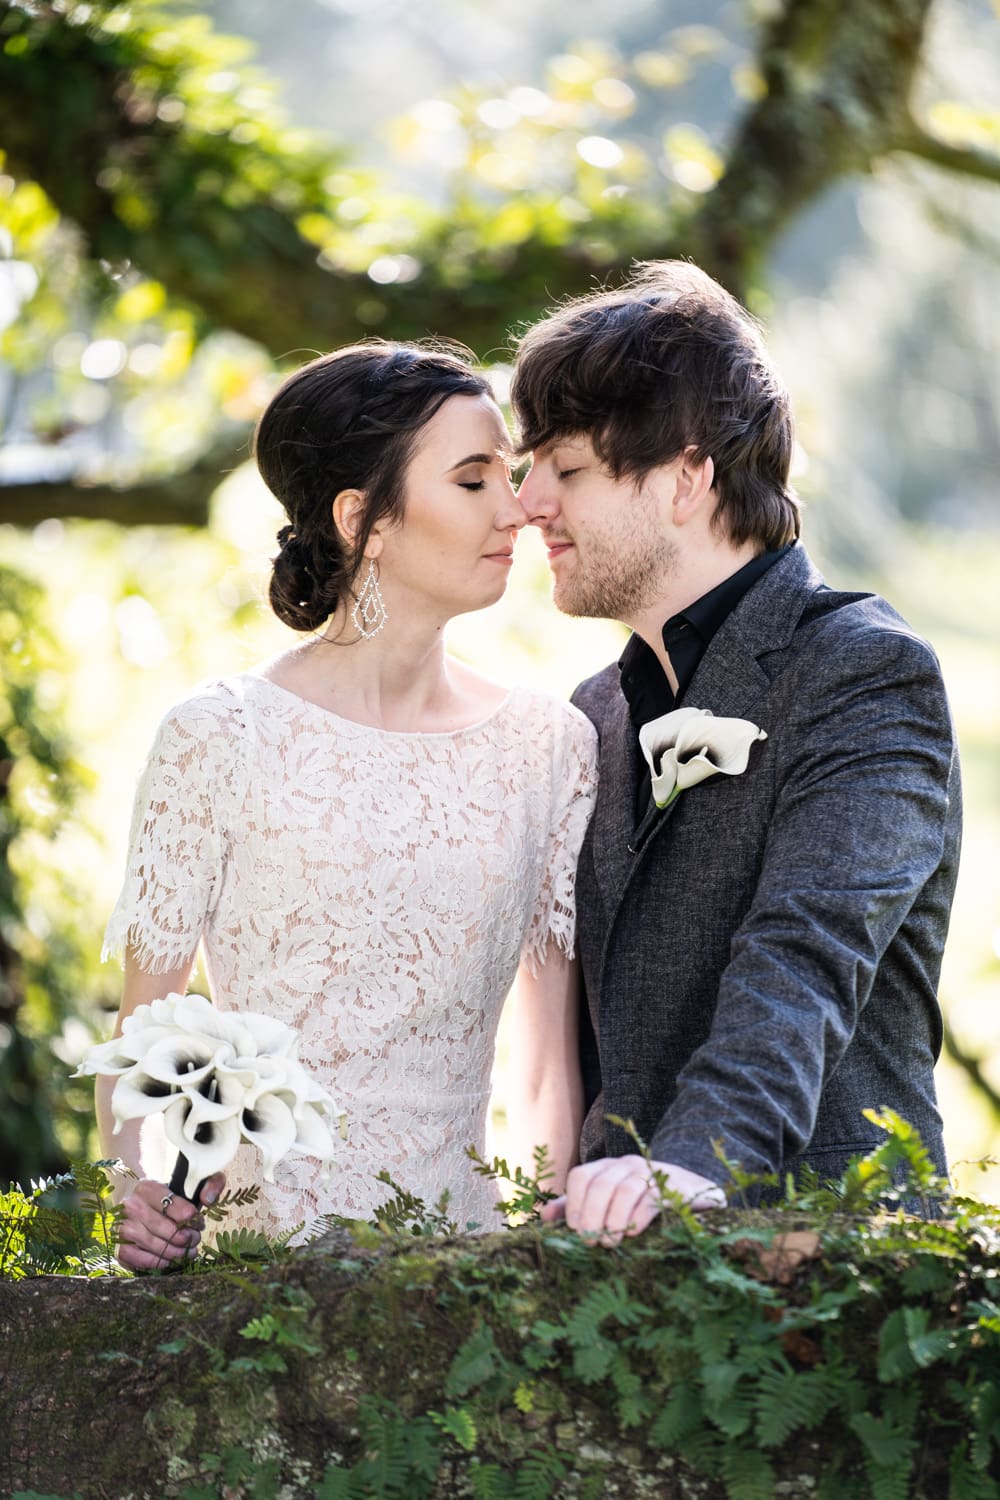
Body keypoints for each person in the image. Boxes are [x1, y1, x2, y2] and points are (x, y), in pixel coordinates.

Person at [98, 340, 597, 1271]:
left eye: (510, 474)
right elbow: (141, 1037)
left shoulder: (549, 747)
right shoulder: (218, 734)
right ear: (364, 517)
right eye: (474, 479)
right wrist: (138, 1197)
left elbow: (542, 1065)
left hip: (457, 1265)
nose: (520, 508)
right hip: (250, 1269)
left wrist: (544, 1258)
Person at [511, 261, 962, 1243]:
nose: (526, 502)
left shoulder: (861, 673)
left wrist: (687, 1165)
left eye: (566, 469)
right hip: (611, 1282)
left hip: (828, 1271)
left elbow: (805, 956)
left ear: (685, 476)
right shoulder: (589, 714)